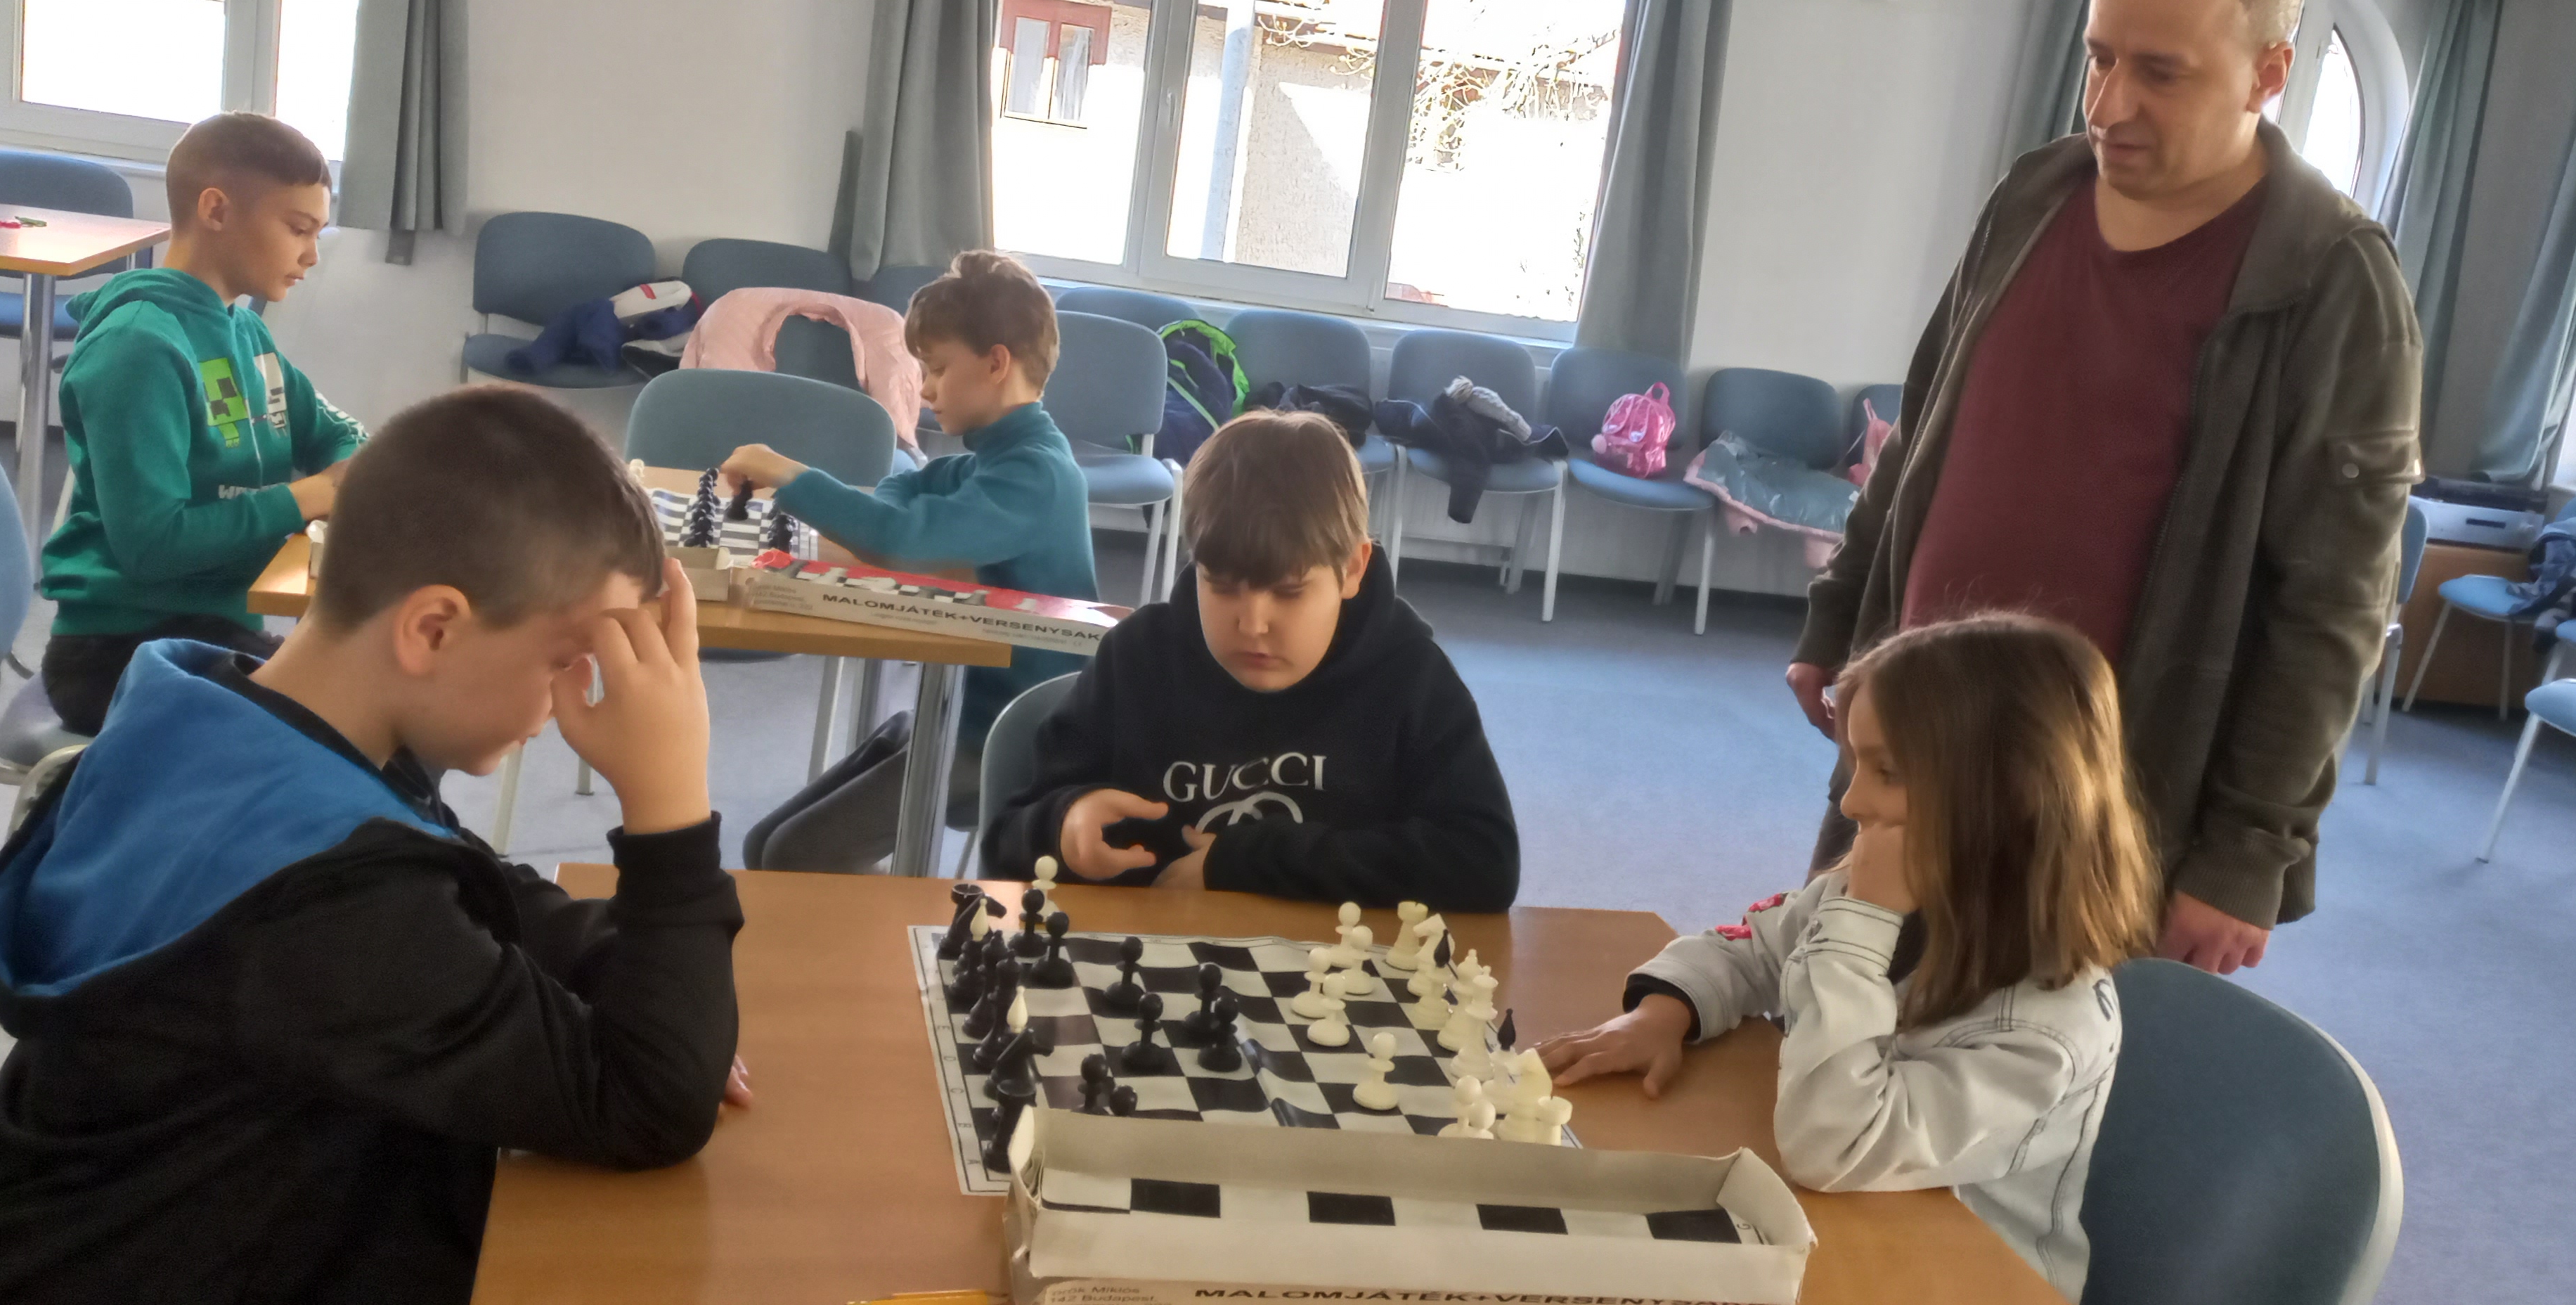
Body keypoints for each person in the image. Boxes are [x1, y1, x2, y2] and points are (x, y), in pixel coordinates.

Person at [0, 387, 746, 1305]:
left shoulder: (223, 721)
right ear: (433, 628)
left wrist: (652, 992)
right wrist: (670, 801)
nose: (568, 702)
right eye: (562, 661)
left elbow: (470, 886)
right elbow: (649, 1102)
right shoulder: (329, 903)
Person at [1791, 0, 2419, 973]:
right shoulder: (2035, 194)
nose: (2110, 104)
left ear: (2268, 74)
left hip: (2106, 802)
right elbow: (1923, 429)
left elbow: (2334, 603)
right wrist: (1840, 613)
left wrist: (2250, 850)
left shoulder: (2328, 276)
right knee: (1830, 1014)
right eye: (2099, 58)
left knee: (2023, 1068)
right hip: (1915, 744)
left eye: (2161, 73)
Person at [1539, 615, 2156, 1300]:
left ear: (2010, 793)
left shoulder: (2044, 1027)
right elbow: (1750, 948)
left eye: (1886, 771)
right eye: (1855, 763)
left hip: (1965, 1277)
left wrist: (1861, 926)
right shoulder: (1882, 891)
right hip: (1849, 1231)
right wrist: (1665, 1011)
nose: (1852, 799)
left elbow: (1833, 1144)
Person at [976, 411, 1519, 911]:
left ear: (1353, 570)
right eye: (1222, 585)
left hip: (1330, 971)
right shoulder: (1135, 660)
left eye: (1289, 591)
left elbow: (1485, 862)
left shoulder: (1410, 675)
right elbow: (1005, 841)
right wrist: (1064, 826)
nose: (1253, 624)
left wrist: (1249, 862)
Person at [37, 111, 366, 734]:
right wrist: (313, 495)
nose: (312, 255)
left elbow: (333, 434)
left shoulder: (245, 332)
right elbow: (152, 545)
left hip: (209, 626)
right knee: (355, 725)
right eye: (298, 228)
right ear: (216, 210)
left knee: (380, 695)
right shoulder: (138, 346)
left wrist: (353, 466)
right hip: (118, 650)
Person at [719, 248, 1096, 742]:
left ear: (996, 363)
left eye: (937, 369)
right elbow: (908, 484)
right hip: (966, 722)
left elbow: (899, 541)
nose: (925, 391)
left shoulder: (1036, 475)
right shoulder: (1002, 458)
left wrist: (786, 473)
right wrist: (905, 533)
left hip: (1015, 747)